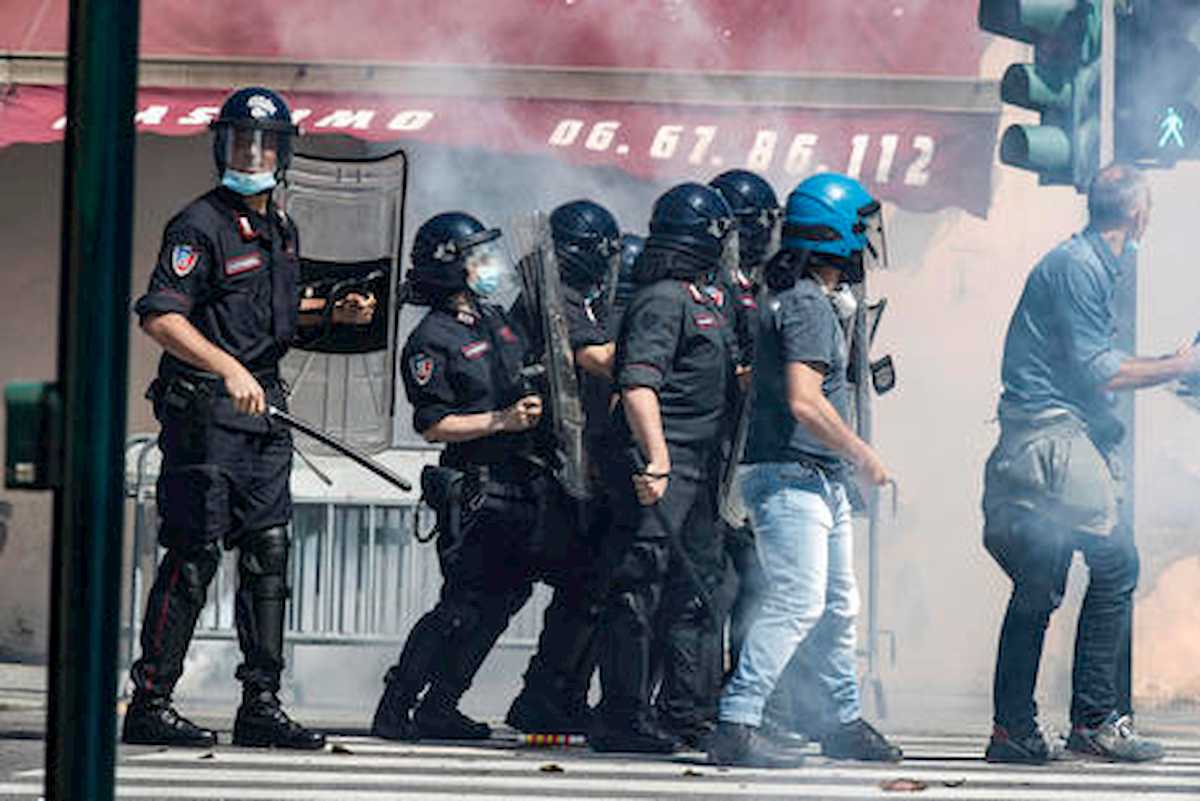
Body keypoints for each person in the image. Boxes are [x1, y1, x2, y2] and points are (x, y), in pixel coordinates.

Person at [122, 86, 375, 749]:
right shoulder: (197, 224)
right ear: (221, 146)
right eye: (240, 141)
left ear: (283, 151)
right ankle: (150, 699)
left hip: (265, 418)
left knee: (269, 554)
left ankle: (260, 702)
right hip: (204, 414)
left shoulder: (282, 229)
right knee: (195, 552)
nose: (253, 153)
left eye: (265, 143)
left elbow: (272, 323)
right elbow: (161, 315)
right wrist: (226, 367)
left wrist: (331, 315)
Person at [982, 163, 1198, 764]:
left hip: (1047, 439)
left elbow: (1098, 365)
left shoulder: (1092, 263)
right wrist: (1179, 368)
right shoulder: (1081, 268)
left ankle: (1013, 730)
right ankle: (1095, 721)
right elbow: (1100, 371)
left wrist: (1166, 365)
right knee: (1115, 562)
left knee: (1039, 584)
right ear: (1137, 212)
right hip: (1052, 440)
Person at [707, 173, 900, 768]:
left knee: (839, 605)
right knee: (797, 602)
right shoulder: (809, 305)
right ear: (835, 231)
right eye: (861, 227)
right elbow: (804, 400)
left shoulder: (798, 296)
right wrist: (861, 453)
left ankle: (840, 720)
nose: (867, 240)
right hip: (793, 477)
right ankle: (737, 722)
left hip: (814, 477)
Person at [370, 211, 559, 741]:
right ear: (451, 268)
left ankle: (442, 705)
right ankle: (396, 706)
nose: (488, 266)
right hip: (475, 488)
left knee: (504, 599)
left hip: (520, 483)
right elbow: (434, 425)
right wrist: (500, 420)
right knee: (460, 606)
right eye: (477, 258)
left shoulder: (495, 318)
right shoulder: (432, 339)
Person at [589, 183, 740, 754]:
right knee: (638, 590)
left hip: (702, 469)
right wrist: (656, 457)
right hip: (666, 464)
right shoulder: (661, 300)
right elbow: (638, 384)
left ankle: (685, 711)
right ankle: (622, 716)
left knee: (698, 591)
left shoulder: (704, 300)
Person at [506, 199, 622, 735]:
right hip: (545, 466)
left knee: (590, 589)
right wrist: (666, 353)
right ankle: (545, 694)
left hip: (575, 463)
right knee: (579, 587)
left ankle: (559, 693)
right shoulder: (551, 301)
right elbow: (595, 359)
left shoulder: (576, 298)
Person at [708, 169, 780, 676]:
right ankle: (699, 699)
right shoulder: (716, 291)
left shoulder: (759, 287)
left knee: (754, 583)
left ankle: (741, 689)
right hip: (719, 454)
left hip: (752, 450)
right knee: (720, 585)